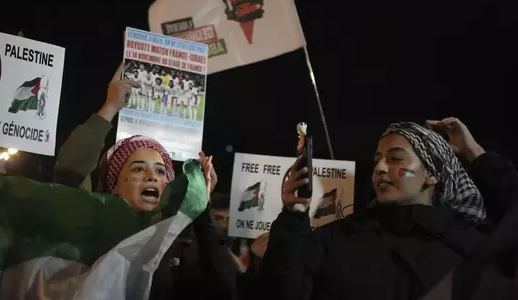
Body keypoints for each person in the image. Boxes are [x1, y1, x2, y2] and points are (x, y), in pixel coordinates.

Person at [260, 119, 518, 300]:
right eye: (377, 161)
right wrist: (293, 220)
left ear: (432, 174)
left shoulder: (473, 249)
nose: (380, 168)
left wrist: (476, 154)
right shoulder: (335, 239)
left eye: (395, 159)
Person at [92, 137, 237, 300]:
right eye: (138, 169)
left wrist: (202, 209)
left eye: (160, 171)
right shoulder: (94, 237)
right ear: (114, 186)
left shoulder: (184, 243)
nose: (152, 176)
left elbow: (223, 292)